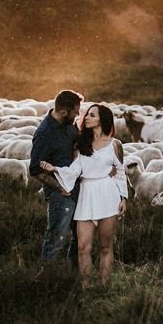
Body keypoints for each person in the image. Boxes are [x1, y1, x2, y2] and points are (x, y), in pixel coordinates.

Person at [40, 103, 128, 287]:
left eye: (92, 115)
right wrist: (54, 168)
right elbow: (74, 170)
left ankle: (105, 286)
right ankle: (85, 287)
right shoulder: (82, 144)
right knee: (82, 247)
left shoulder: (115, 145)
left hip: (107, 194)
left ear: (102, 120)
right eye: (87, 115)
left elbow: (120, 172)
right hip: (86, 195)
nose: (86, 117)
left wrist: (123, 198)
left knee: (105, 247)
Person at [29, 89, 83, 269]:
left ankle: (74, 275)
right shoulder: (44, 134)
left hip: (77, 188)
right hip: (60, 194)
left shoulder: (70, 124)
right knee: (56, 238)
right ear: (64, 112)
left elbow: (77, 144)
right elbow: (36, 170)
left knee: (80, 234)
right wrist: (60, 187)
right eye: (76, 111)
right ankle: (49, 279)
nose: (78, 114)